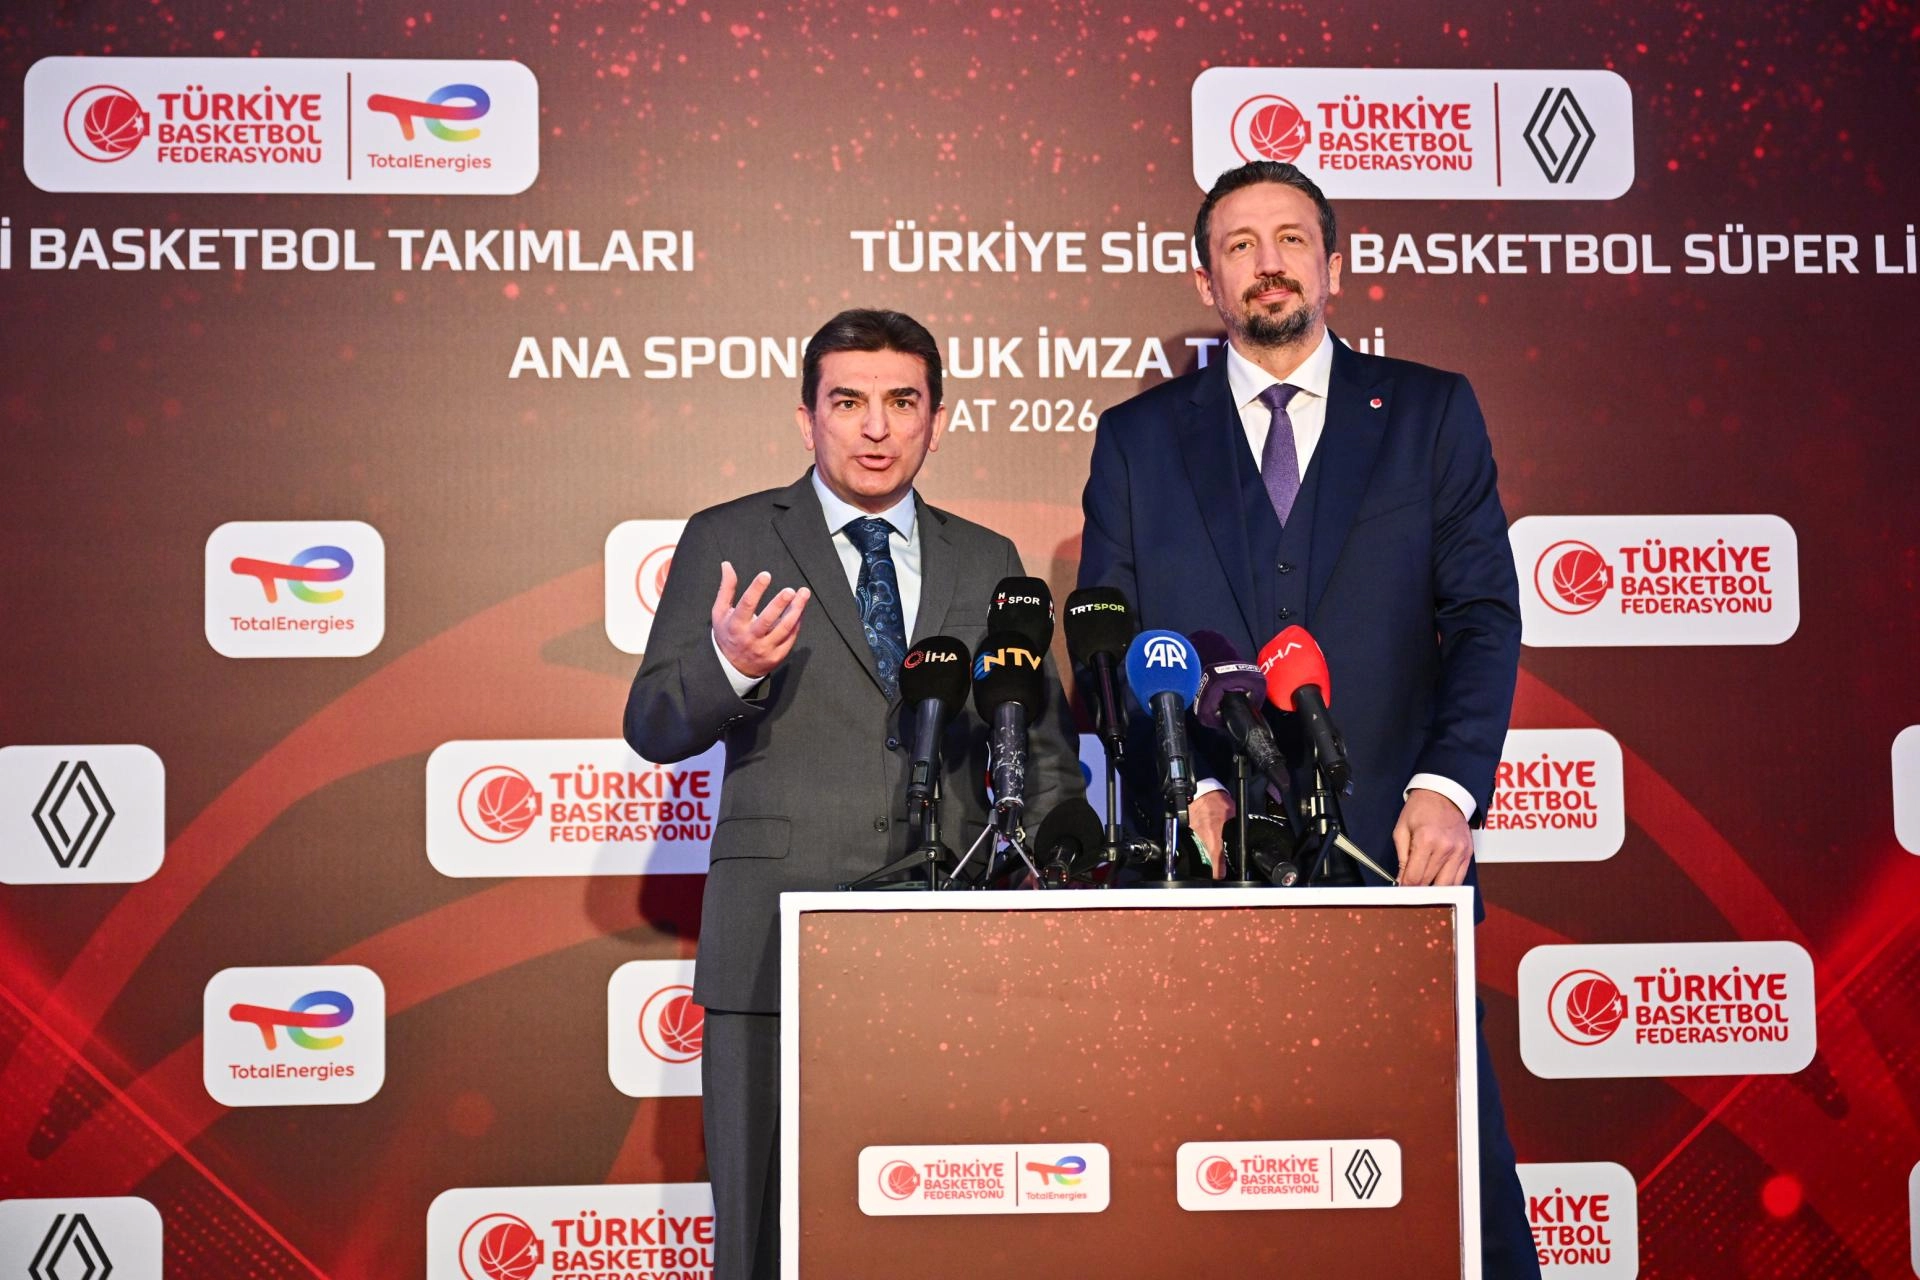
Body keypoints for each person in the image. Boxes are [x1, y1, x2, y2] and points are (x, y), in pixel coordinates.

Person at [1078, 161, 1538, 1277]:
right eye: (1239, 245)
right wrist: (1186, 786)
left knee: (1443, 1190)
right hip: (1209, 869)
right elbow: (1106, 646)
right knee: (1222, 1200)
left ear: (1334, 264)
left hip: (1396, 857)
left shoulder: (1429, 411)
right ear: (1207, 279)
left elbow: (1483, 617)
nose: (1268, 262)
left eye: (1290, 238)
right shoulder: (1138, 437)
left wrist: (1448, 789)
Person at [624, 307, 1083, 1280]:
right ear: (807, 418)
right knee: (764, 1234)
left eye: (901, 402)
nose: (876, 428)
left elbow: (1040, 748)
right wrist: (729, 664)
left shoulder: (987, 558)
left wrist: (1056, 883)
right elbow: (654, 723)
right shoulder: (730, 536)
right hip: (770, 944)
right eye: (847, 402)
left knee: (942, 1235)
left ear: (937, 421)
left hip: (950, 936)